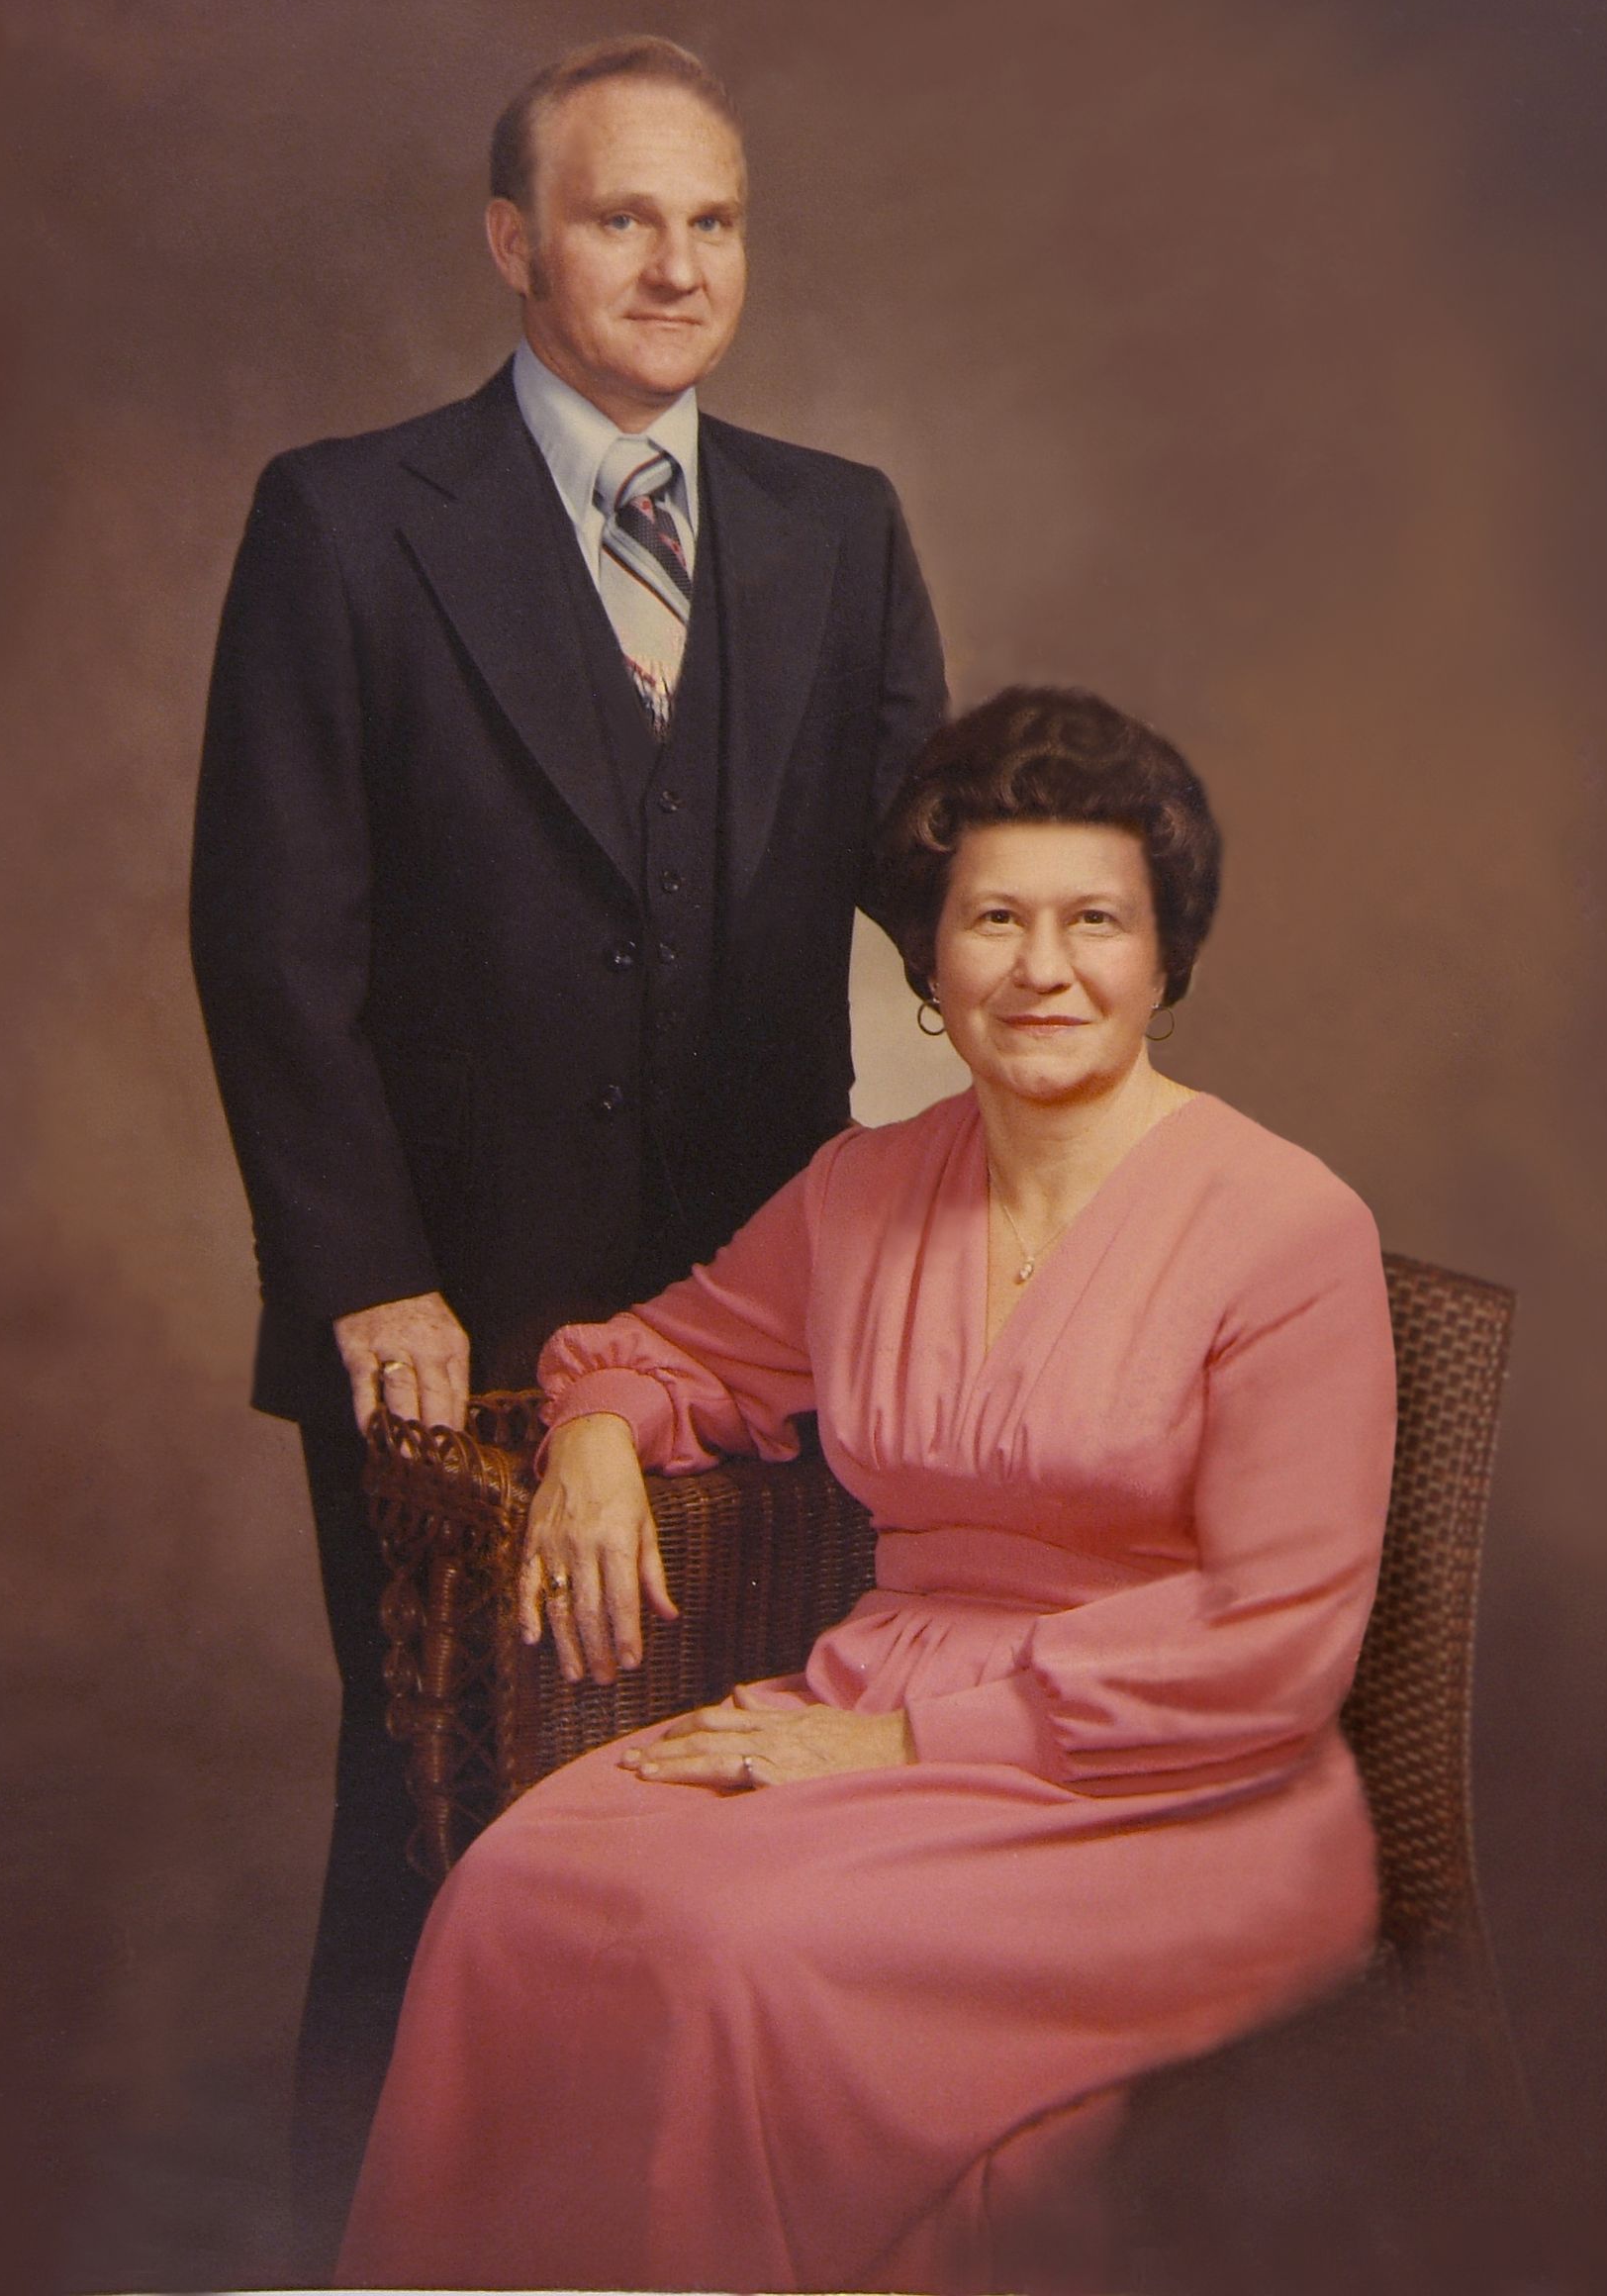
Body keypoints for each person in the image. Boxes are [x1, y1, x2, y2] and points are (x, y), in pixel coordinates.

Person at [334, 687, 1397, 2295]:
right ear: (931, 960)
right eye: (994, 920)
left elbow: (1274, 1644)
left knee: (737, 1959)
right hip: (861, 1698)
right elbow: (657, 1349)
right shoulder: (866, 1190)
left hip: (1173, 1790)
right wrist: (604, 1433)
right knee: (518, 1889)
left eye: (1095, 919)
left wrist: (908, 1738)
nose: (1043, 969)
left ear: (1165, 955)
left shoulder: (1289, 1229)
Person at [188, 36, 945, 2264]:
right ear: (514, 241)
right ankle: (378, 2238)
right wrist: (361, 1275)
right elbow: (272, 936)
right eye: (622, 217)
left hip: (749, 1323)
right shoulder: (345, 519)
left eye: (712, 219)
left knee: (728, 1810)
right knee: (440, 1811)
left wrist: (1095, 954)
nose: (675, 262)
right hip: (451, 1321)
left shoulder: (839, 526)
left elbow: (941, 889)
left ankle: (674, 2240)